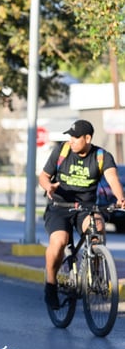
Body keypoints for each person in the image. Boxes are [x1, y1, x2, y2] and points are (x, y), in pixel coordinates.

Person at [38, 119, 125, 310]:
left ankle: (95, 274)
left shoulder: (101, 156)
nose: (71, 141)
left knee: (98, 227)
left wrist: (121, 198)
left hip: (85, 208)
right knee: (59, 241)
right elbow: (43, 176)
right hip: (59, 206)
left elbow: (112, 178)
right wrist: (49, 187)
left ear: (87, 138)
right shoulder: (62, 152)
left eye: (75, 137)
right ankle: (50, 286)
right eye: (70, 137)